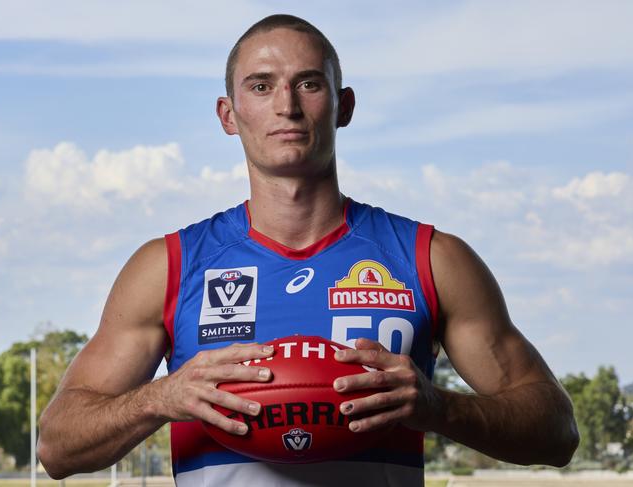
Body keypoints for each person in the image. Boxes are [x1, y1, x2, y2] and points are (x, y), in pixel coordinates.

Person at [37, 14, 579, 486]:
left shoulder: (430, 258)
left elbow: (557, 432)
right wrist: (161, 397)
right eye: (261, 85)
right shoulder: (169, 266)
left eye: (309, 84)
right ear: (229, 115)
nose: (287, 106)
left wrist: (439, 408)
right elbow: (57, 448)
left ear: (343, 106)